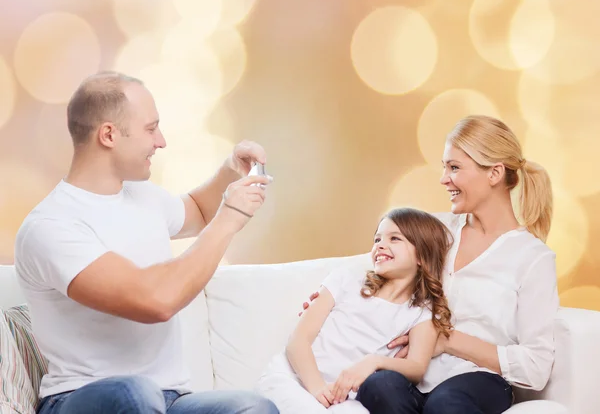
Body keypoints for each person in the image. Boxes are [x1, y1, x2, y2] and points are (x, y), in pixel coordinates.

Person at [14, 71, 279, 414]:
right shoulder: (50, 227)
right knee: (134, 394)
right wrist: (229, 220)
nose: (161, 141)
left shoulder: (142, 196)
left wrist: (231, 170)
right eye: (150, 129)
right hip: (82, 398)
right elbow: (156, 301)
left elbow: (198, 209)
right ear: (108, 134)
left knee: (253, 408)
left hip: (168, 400)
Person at [301, 115, 559, 414]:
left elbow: (536, 367)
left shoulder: (532, 257)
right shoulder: (436, 230)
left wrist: (445, 339)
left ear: (494, 173)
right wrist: (332, 298)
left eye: (455, 167)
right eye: (444, 167)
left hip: (478, 379)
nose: (443, 178)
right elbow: (379, 263)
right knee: (378, 386)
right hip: (411, 369)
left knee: (446, 405)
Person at [256, 207, 454, 414]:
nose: (381, 246)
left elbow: (416, 367)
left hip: (342, 399)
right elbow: (298, 341)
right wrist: (317, 389)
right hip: (294, 380)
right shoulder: (347, 280)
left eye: (394, 238)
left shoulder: (422, 312)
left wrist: (374, 362)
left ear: (422, 255)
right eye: (377, 240)